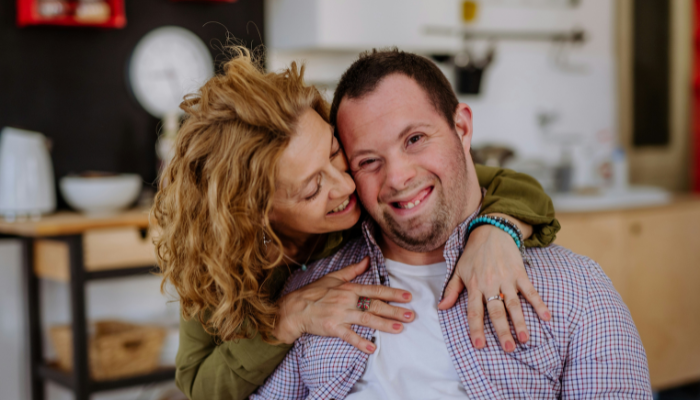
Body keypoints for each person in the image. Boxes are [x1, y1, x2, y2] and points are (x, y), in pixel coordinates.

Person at [152, 47, 560, 400]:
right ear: (256, 214)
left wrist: (496, 230)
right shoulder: (217, 262)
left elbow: (509, 184)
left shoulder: (369, 190)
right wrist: (284, 322)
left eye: (334, 152)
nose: (346, 184)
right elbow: (196, 385)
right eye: (312, 189)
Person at [251, 49, 652, 399]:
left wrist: (501, 227)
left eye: (415, 139)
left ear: (461, 127)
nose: (397, 177)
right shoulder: (312, 295)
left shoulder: (576, 291)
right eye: (368, 161)